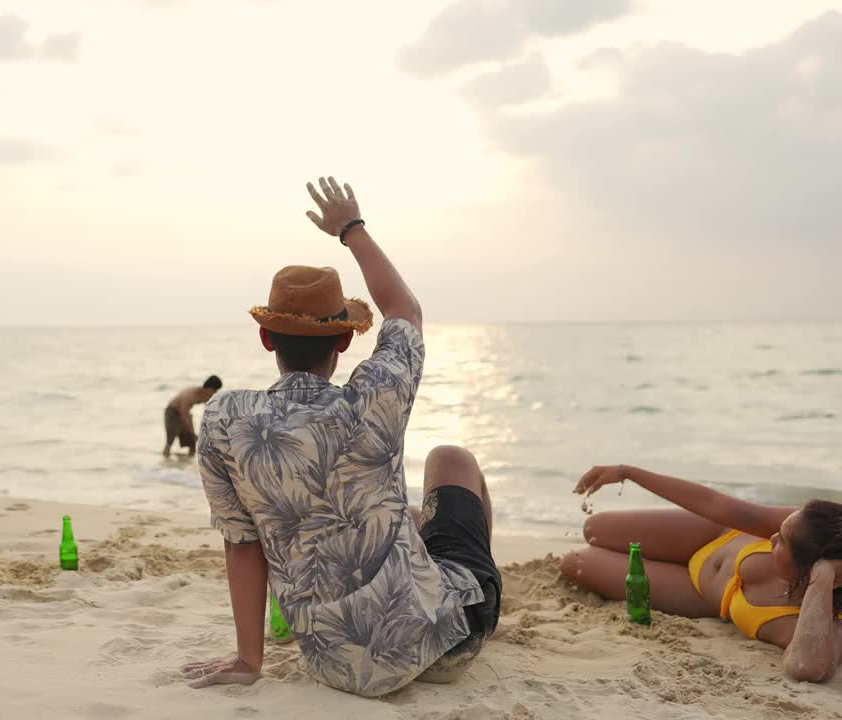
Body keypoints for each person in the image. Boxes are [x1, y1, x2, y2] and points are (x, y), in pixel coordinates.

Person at [180, 177, 501, 697]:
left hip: (337, 664)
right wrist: (351, 227)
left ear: (267, 339)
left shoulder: (224, 420)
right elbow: (406, 312)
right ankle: (487, 609)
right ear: (346, 339)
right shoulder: (371, 399)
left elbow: (242, 545)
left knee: (410, 517)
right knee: (451, 458)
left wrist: (247, 658)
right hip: (440, 642)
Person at [562, 464, 842, 682]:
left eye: (781, 540)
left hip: (698, 593)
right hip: (710, 536)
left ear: (810, 567)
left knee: (575, 562)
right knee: (595, 529)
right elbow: (715, 505)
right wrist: (628, 472)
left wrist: (824, 575)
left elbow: (805, 667)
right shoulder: (807, 527)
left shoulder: (819, 622)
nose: (770, 538)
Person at [163, 376, 223, 457]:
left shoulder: (207, 396)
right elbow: (183, 414)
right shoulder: (190, 394)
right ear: (208, 388)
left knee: (192, 443)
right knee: (170, 440)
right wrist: (192, 432)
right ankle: (165, 461)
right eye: (215, 390)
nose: (215, 392)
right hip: (172, 412)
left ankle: (189, 464)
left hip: (185, 413)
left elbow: (210, 412)